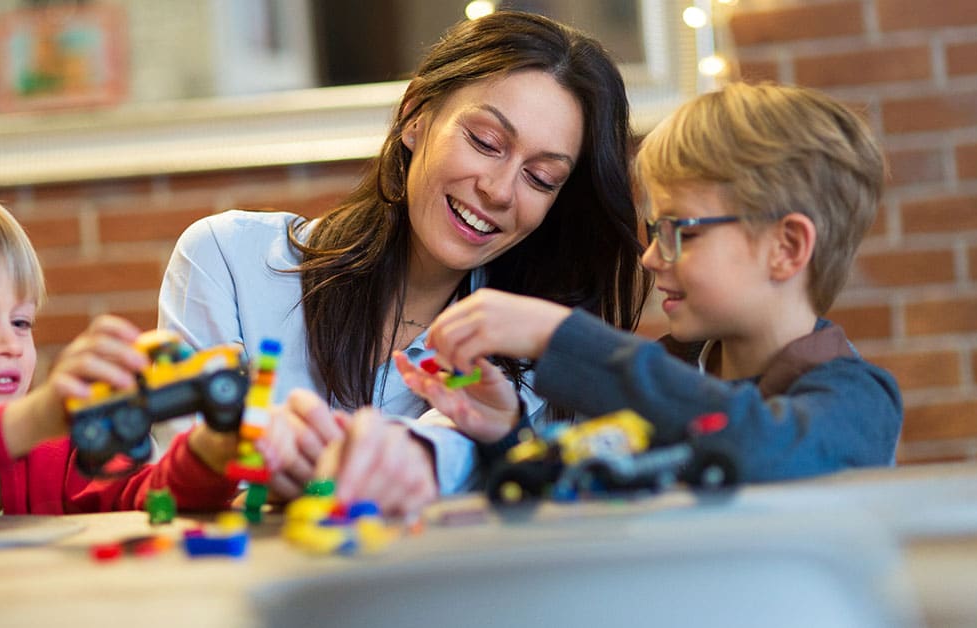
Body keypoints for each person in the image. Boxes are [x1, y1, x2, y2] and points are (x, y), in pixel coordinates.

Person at [156, 10, 645, 513]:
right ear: (416, 116)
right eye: (485, 142)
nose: (499, 191)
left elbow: (454, 457)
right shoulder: (227, 260)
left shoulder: (526, 357)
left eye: (540, 178)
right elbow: (174, 489)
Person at [406, 81, 902, 482]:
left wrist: (560, 337)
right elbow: (585, 495)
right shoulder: (666, 374)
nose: (649, 258)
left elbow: (757, 446)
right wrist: (503, 437)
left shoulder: (856, 398)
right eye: (653, 232)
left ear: (786, 247)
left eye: (677, 232)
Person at [0, 191, 247, 540]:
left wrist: (210, 454)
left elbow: (150, 501)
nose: (9, 345)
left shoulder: (57, 459)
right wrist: (35, 416)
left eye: (21, 322)